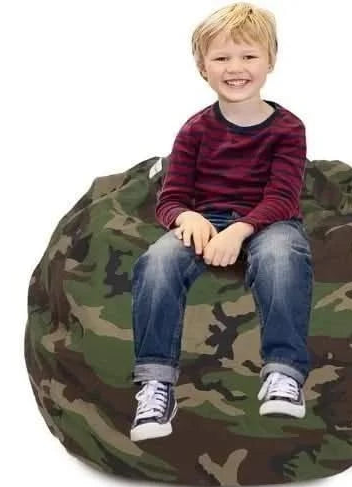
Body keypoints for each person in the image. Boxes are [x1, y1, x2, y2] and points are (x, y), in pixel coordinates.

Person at [130, 2, 314, 441]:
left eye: (248, 56)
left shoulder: (288, 129)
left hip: (269, 221)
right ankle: (155, 385)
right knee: (156, 261)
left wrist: (240, 229)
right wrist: (187, 216)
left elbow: (282, 196)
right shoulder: (194, 130)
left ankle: (284, 374)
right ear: (203, 67)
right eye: (221, 58)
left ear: (270, 60)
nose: (235, 68)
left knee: (283, 255)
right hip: (207, 219)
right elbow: (170, 198)